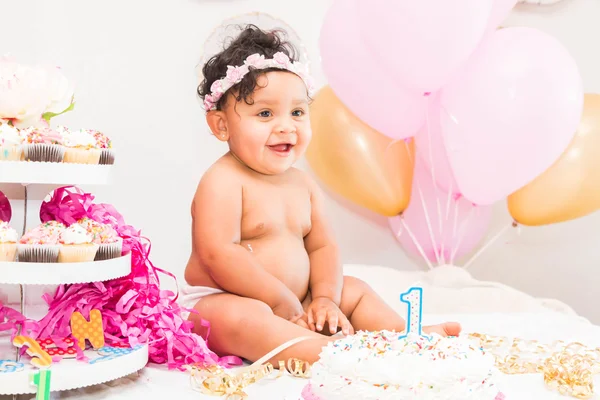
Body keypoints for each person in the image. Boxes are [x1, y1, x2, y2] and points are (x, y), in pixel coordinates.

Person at [182, 24, 460, 365]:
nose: (286, 126)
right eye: (265, 113)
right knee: (242, 319)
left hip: (297, 299)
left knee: (353, 289)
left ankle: (399, 338)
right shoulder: (223, 181)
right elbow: (219, 255)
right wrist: (279, 299)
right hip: (226, 297)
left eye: (297, 112)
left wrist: (325, 298)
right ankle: (331, 353)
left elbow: (322, 246)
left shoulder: (303, 184)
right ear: (221, 125)